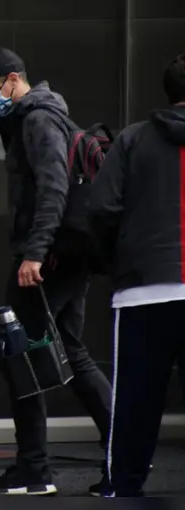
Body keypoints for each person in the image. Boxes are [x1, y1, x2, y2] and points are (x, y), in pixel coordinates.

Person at [0, 46, 112, 496]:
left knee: (17, 352)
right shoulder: (34, 116)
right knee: (71, 353)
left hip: (52, 256)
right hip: (66, 253)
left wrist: (35, 254)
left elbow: (53, 189)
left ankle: (34, 470)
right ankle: (123, 453)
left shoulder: (38, 119)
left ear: (11, 80)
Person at [88, 52, 185, 497]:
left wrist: (120, 261)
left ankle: (123, 488)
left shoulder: (132, 140)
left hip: (143, 289)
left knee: (135, 405)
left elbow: (102, 209)